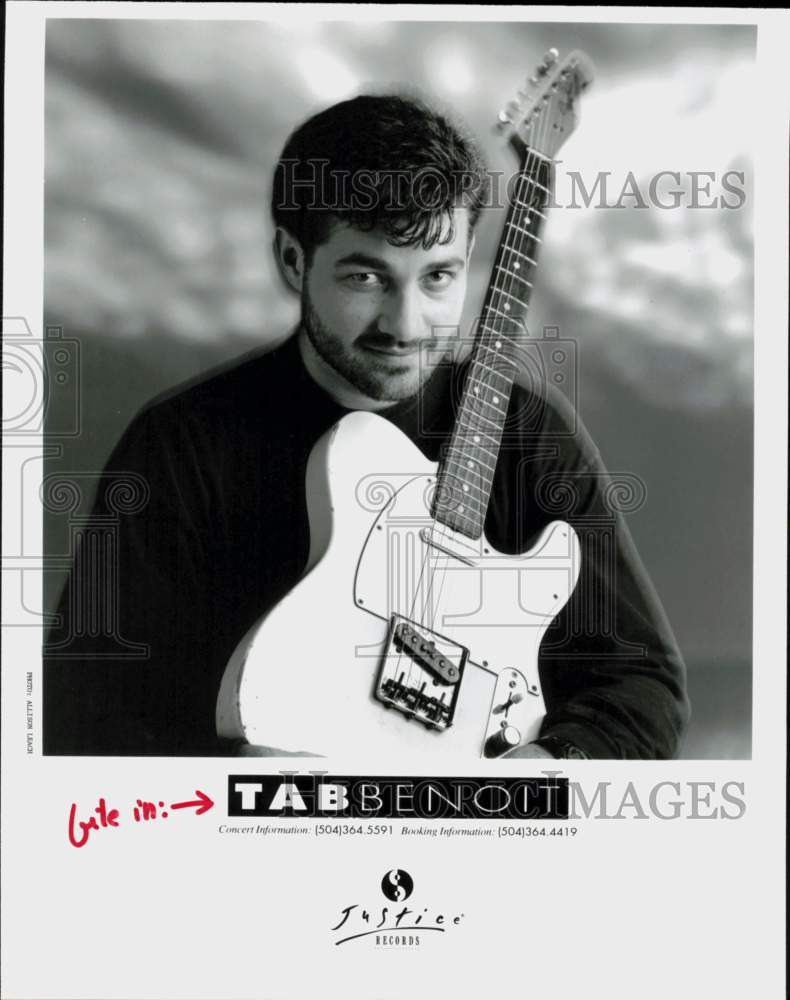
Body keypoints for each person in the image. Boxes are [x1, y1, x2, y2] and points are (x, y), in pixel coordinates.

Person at [44, 94, 690, 759]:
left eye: (438, 278)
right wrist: (236, 780)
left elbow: (640, 684)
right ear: (294, 262)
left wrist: (550, 765)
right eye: (366, 276)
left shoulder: (527, 430)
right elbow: (84, 708)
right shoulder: (184, 444)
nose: (405, 325)